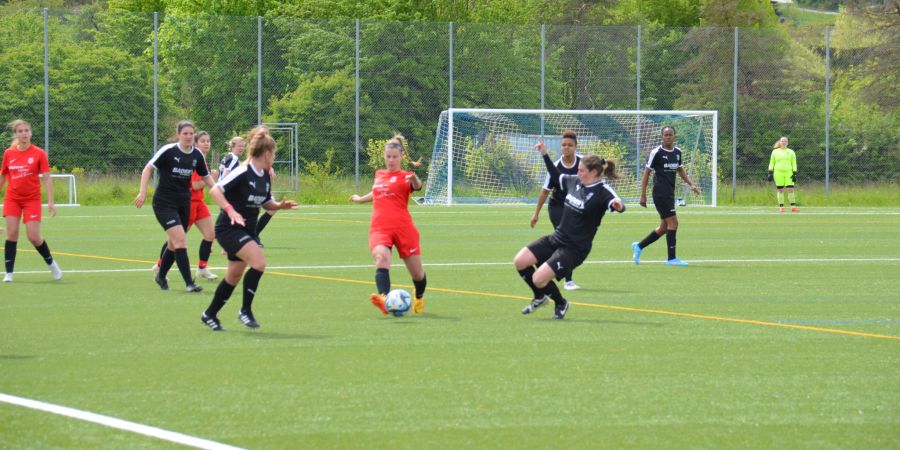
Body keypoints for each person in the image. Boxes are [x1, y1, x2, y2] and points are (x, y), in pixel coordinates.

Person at [200, 126, 298, 331]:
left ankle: (209, 314)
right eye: (274, 154)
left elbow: (266, 202)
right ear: (267, 153)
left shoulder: (264, 175)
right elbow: (216, 190)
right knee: (259, 262)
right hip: (229, 228)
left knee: (233, 276)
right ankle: (245, 310)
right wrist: (230, 210)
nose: (274, 157)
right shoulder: (244, 171)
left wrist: (279, 206)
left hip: (248, 230)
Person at [515, 142, 624, 320]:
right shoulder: (574, 182)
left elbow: (617, 204)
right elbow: (556, 175)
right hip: (556, 239)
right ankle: (540, 296)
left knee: (538, 278)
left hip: (574, 249)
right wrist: (544, 154)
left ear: (593, 173)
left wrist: (617, 206)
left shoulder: (602, 191)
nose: (578, 172)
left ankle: (561, 303)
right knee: (520, 261)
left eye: (581, 170)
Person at [350, 134, 427, 316]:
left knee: (417, 274)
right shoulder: (379, 175)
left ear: (401, 158)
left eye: (395, 157)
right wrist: (361, 199)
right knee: (381, 258)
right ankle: (384, 299)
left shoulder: (406, 176)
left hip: (403, 228)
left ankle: (419, 296)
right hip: (380, 227)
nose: (391, 160)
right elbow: (378, 191)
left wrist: (415, 180)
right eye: (388, 157)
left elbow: (417, 186)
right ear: (384, 157)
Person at [135, 120, 213, 293]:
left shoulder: (197, 155)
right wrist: (143, 192)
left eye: (191, 134)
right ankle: (189, 283)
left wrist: (221, 194)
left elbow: (207, 179)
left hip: (183, 203)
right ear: (178, 134)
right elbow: (148, 169)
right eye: (185, 133)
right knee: (180, 239)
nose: (188, 136)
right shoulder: (169, 151)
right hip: (164, 202)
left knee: (173, 242)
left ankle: (161, 276)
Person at [0, 119, 62, 283]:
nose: (24, 134)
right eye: (20, 131)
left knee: (33, 236)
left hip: (31, 199)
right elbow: (3, 176)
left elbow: (47, 179)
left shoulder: (39, 153)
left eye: (26, 131)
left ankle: (51, 264)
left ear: (31, 133)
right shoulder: (9, 153)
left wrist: (50, 202)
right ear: (16, 134)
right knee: (12, 233)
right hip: (12, 198)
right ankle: (9, 273)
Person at [152, 131, 219, 280]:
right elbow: (195, 185)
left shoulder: (200, 159)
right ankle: (159, 266)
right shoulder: (190, 158)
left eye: (208, 141)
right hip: (187, 203)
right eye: (203, 141)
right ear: (195, 143)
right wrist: (212, 179)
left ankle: (202, 268)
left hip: (199, 203)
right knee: (175, 240)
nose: (206, 143)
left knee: (210, 235)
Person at [631, 126, 701, 266]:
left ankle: (639, 246)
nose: (668, 137)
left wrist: (691, 184)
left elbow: (680, 169)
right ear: (662, 136)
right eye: (666, 135)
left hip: (670, 193)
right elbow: (646, 174)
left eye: (670, 134)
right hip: (660, 193)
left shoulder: (677, 152)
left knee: (664, 227)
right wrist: (642, 196)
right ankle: (671, 259)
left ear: (674, 136)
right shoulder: (656, 152)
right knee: (674, 223)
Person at [530, 130, 583, 291]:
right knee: (567, 241)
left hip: (574, 207)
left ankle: (544, 262)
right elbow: (545, 191)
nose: (566, 148)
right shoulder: (556, 166)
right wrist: (536, 214)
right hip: (557, 207)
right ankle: (568, 280)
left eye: (569, 145)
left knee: (569, 242)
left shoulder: (583, 164)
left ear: (575, 147)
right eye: (563, 145)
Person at [767, 136, 798, 213]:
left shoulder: (791, 152)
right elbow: (771, 162)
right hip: (778, 173)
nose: (784, 142)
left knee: (790, 189)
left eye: (785, 141)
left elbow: (794, 163)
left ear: (787, 143)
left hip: (789, 172)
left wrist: (794, 173)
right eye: (782, 141)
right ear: (780, 142)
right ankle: (781, 207)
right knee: (780, 190)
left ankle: (793, 207)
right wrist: (770, 172)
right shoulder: (775, 152)